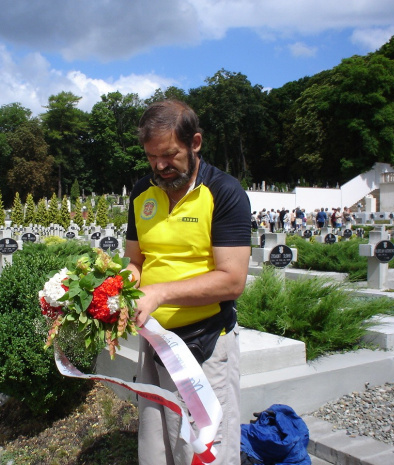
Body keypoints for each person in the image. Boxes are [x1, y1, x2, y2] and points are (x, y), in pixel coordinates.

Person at [125, 100, 251, 465]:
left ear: (195, 142)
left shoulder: (224, 192)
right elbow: (136, 262)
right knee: (157, 447)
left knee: (203, 450)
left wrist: (160, 292)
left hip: (203, 346)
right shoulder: (141, 193)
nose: (160, 167)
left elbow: (232, 281)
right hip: (154, 342)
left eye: (169, 155)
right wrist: (116, 288)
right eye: (151, 157)